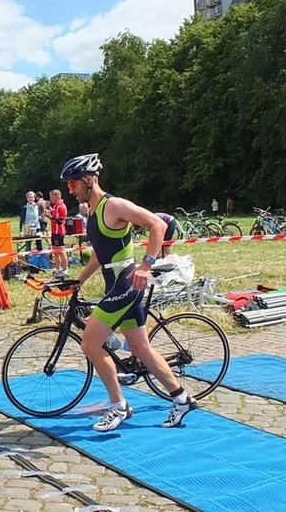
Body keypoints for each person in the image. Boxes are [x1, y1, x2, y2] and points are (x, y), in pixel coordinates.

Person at [60, 153, 196, 431]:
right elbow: (100, 254)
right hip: (116, 283)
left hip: (126, 282)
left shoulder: (114, 205)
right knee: (140, 348)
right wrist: (79, 280)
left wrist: (147, 264)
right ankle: (181, 398)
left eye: (73, 184)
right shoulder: (93, 213)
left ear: (89, 179)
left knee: (90, 344)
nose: (69, 191)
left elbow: (158, 225)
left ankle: (118, 406)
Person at [48, 189, 69, 278]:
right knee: (55, 251)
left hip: (59, 231)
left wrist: (50, 217)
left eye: (51, 197)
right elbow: (53, 217)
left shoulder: (61, 206)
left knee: (60, 250)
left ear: (57, 196)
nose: (50, 199)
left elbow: (60, 221)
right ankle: (57, 269)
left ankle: (65, 269)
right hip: (54, 231)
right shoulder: (55, 206)